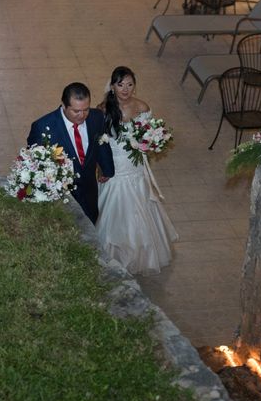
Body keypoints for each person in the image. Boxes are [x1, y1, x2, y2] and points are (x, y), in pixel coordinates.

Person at [96, 66, 178, 275]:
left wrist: (151, 142)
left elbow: (149, 132)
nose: (125, 89)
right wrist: (101, 166)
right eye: (120, 84)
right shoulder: (103, 109)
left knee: (141, 204)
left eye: (130, 84)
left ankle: (142, 251)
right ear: (112, 86)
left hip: (135, 165)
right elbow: (98, 142)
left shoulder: (142, 106)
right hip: (115, 163)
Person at [27, 82, 115, 225]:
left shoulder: (96, 117)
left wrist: (107, 168)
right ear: (63, 105)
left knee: (90, 227)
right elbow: (35, 165)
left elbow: (102, 143)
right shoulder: (43, 127)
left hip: (89, 191)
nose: (82, 115)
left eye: (86, 109)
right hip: (61, 196)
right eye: (76, 111)